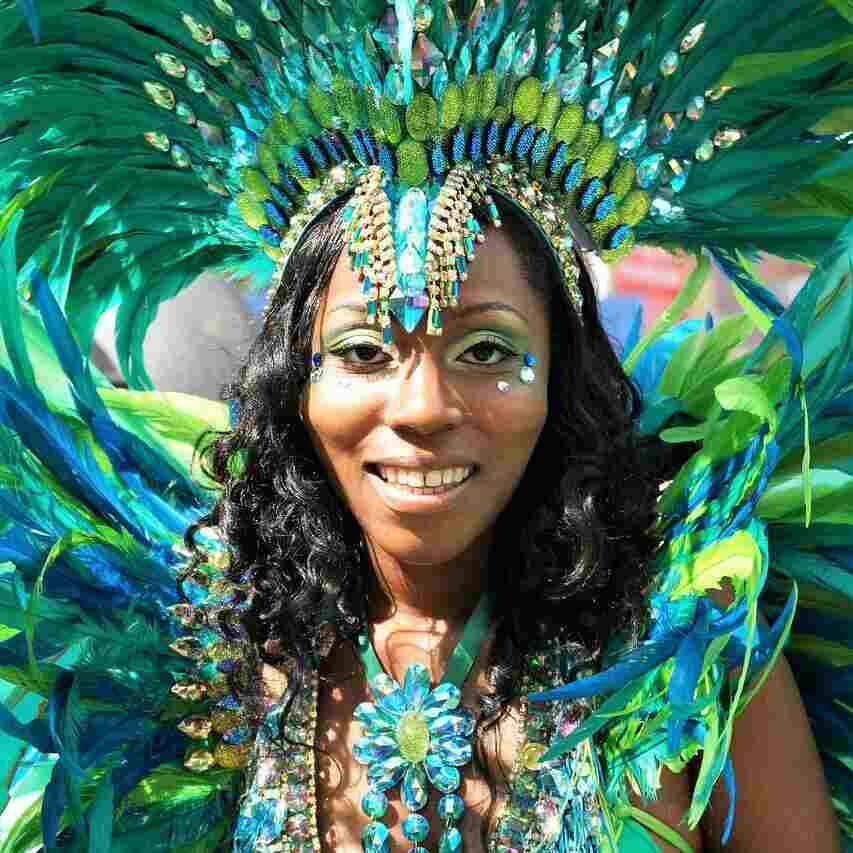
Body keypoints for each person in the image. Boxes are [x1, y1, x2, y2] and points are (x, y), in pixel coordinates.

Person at [0, 2, 852, 852]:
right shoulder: (208, 666)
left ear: (562, 376)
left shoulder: (689, 650)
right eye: (364, 351)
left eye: (487, 349)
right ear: (296, 385)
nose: (420, 408)